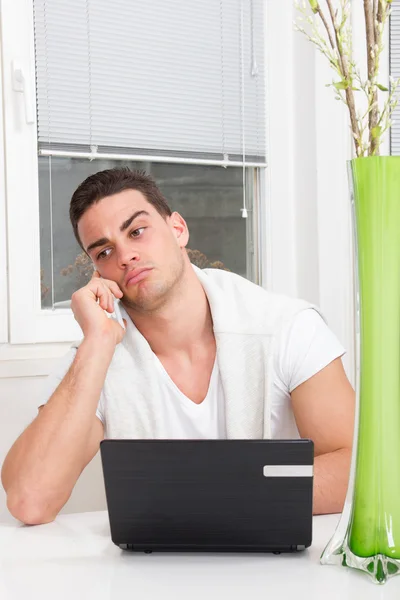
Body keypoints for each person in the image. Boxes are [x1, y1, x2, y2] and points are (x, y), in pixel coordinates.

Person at [1, 168, 355, 525]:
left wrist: (220, 495)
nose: (125, 256)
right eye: (105, 252)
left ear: (178, 229)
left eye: (137, 232)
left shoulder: (286, 326)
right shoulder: (96, 355)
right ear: (97, 273)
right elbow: (30, 500)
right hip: (152, 574)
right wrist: (96, 343)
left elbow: (359, 467)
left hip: (277, 567)